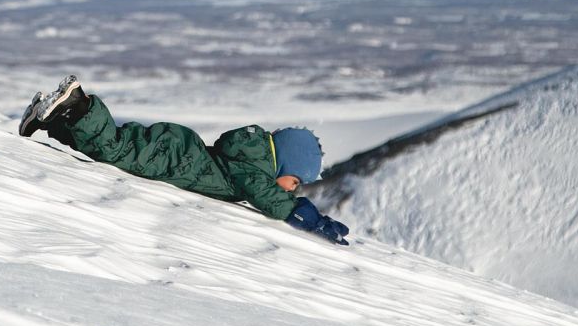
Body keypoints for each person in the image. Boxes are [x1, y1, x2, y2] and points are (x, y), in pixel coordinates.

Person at [18, 75, 349, 245]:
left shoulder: (251, 158)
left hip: (176, 150)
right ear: (284, 165)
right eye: (295, 181)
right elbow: (267, 196)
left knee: (102, 148)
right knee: (113, 149)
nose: (292, 189)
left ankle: (48, 117)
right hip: (172, 159)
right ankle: (78, 102)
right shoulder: (254, 170)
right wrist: (308, 218)